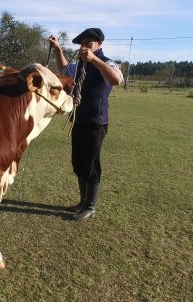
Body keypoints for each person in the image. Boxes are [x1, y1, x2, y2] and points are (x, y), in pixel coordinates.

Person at [48, 28, 124, 220]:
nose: (84, 47)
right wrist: (57, 48)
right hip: (78, 120)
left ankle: (90, 206)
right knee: (79, 162)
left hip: (95, 122)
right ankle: (83, 202)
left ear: (99, 44)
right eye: (82, 44)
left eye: (89, 43)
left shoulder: (106, 62)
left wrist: (94, 59)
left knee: (91, 164)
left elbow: (116, 79)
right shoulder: (80, 65)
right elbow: (64, 69)